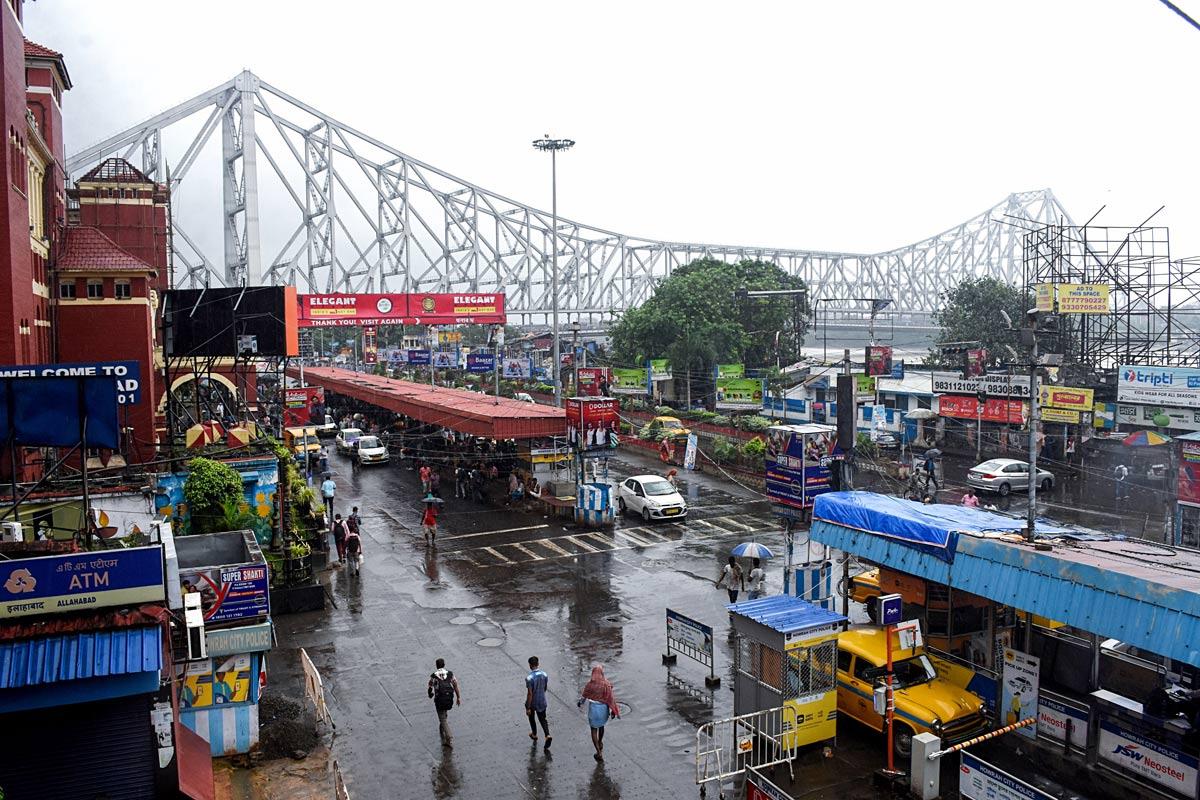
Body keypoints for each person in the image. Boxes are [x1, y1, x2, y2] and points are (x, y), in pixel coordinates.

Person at [577, 665, 619, 762]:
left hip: (593, 710)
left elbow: (584, 696)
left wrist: (580, 703)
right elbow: (611, 698)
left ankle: (598, 751)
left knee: (593, 729)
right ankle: (600, 742)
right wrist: (613, 710)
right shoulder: (606, 684)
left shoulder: (590, 685)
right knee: (601, 726)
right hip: (603, 709)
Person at [427, 658, 461, 748]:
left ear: (436, 666)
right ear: (444, 665)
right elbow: (455, 685)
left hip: (439, 699)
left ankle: (449, 737)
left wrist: (430, 694)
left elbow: (430, 686)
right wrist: (458, 697)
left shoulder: (434, 676)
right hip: (449, 698)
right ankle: (442, 727)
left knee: (443, 720)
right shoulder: (450, 674)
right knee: (444, 714)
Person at [525, 656, 552, 750]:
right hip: (542, 700)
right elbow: (545, 687)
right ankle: (547, 735)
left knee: (532, 718)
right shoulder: (544, 675)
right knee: (543, 719)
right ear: (538, 664)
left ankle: (534, 734)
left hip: (533, 702)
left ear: (530, 665)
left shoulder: (529, 678)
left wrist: (528, 706)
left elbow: (530, 693)